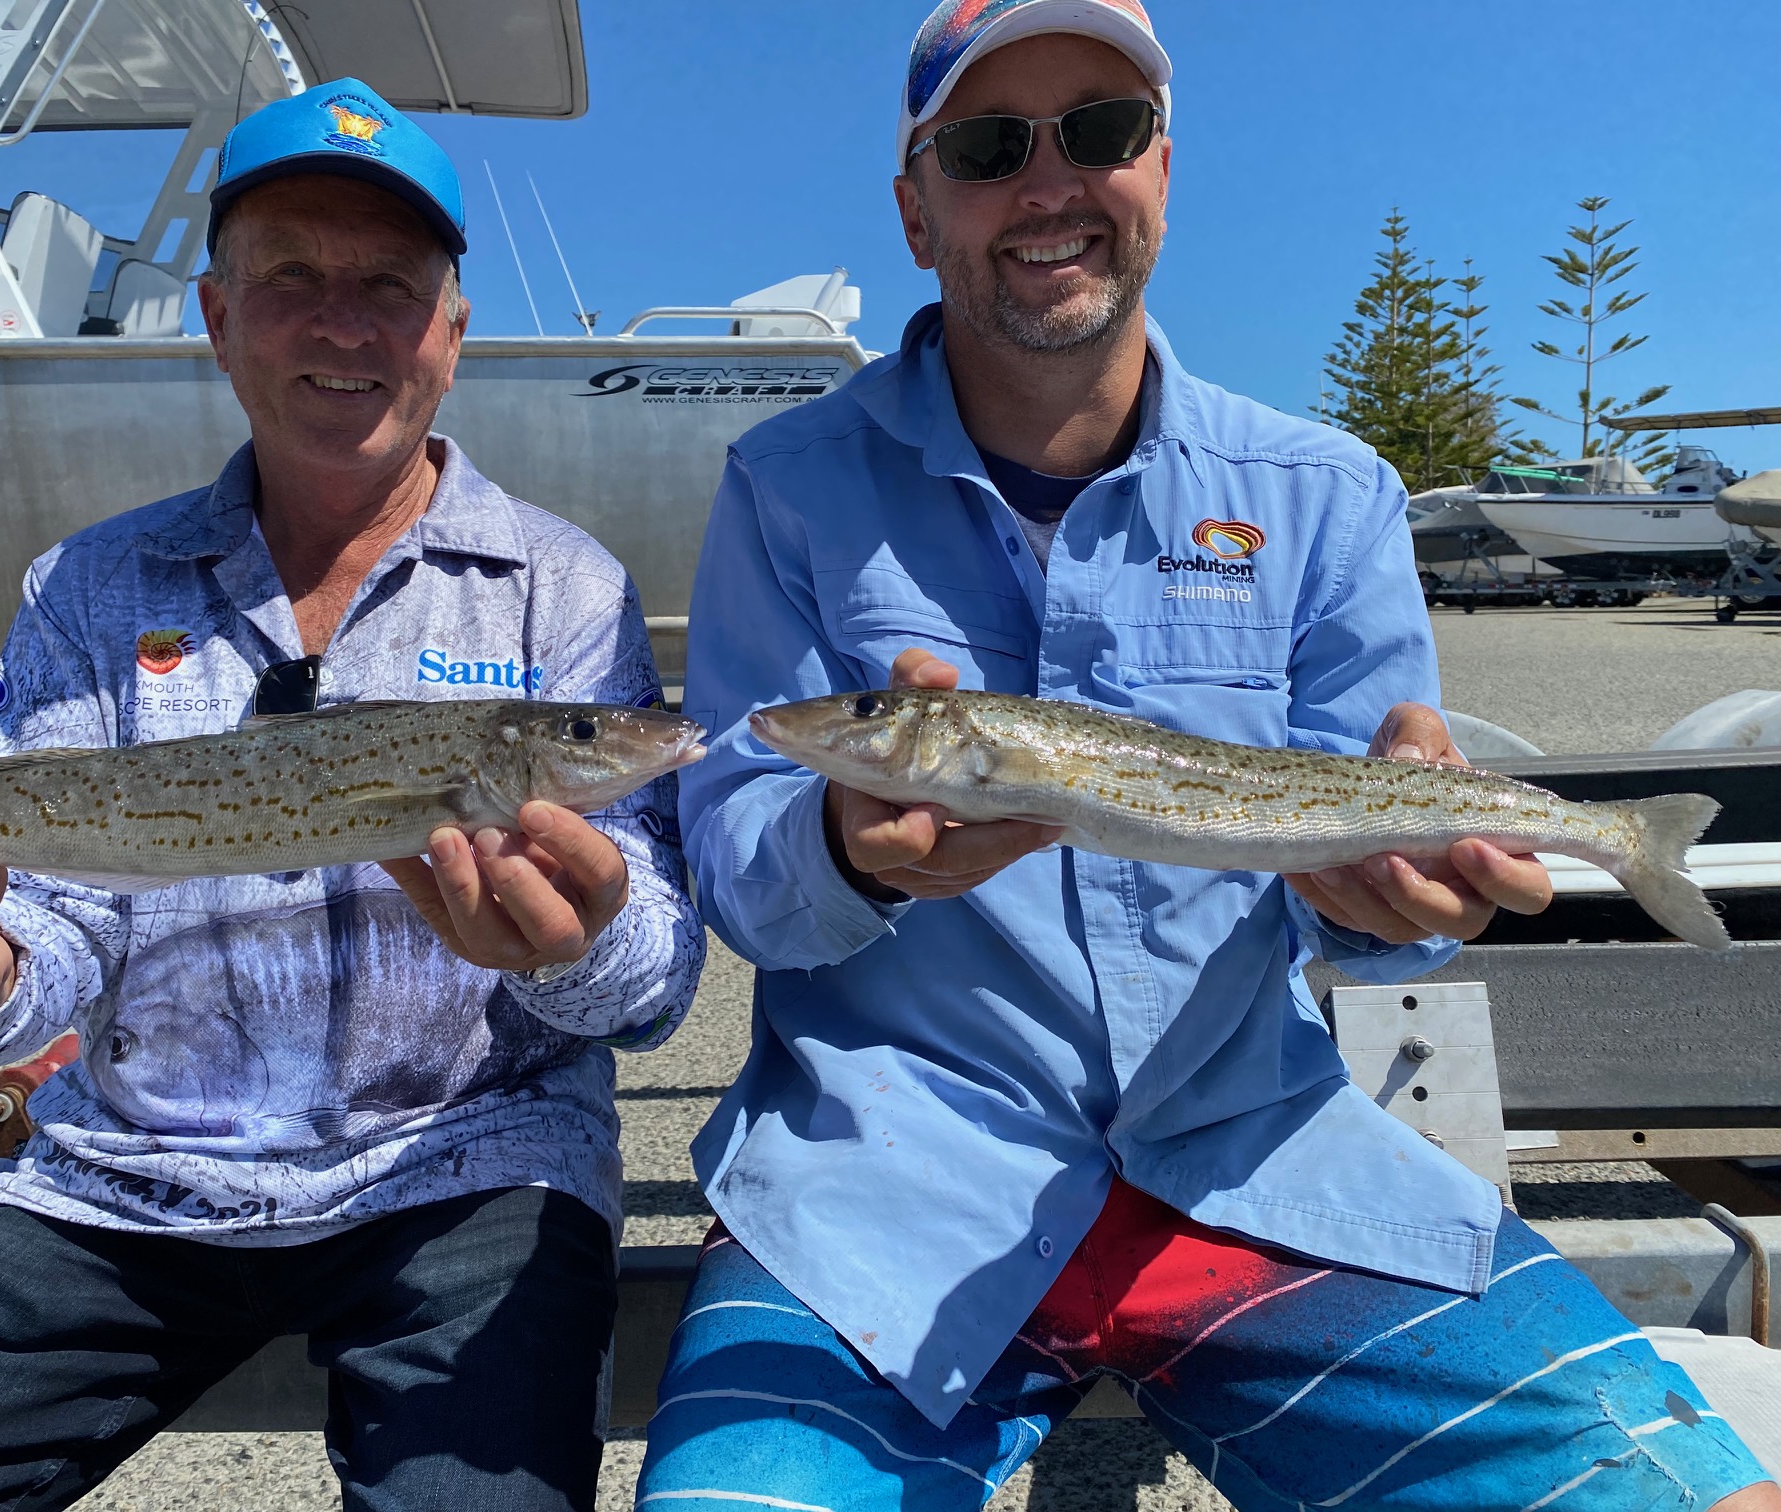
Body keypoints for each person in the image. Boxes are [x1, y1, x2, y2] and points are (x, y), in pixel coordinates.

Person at [636, 4, 1778, 1508]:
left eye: (1099, 131)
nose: (1050, 183)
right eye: (988, 147)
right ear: (917, 213)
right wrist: (846, 846)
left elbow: (1360, 877)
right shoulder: (783, 487)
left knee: (1693, 1495)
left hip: (1265, 1168)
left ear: (1163, 169)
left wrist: (1388, 903)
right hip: (882, 1187)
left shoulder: (1327, 493)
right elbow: (734, 858)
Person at [0, 78, 702, 1512]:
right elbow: (56, 935)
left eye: (389, 284)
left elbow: (652, 995)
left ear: (450, 332)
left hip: (472, 1163)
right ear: (215, 318)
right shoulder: (86, 585)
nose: (343, 324)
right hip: (127, 1179)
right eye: (290, 282)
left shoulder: (567, 586)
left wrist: (581, 942)